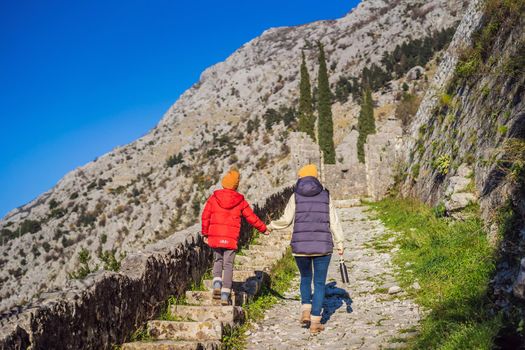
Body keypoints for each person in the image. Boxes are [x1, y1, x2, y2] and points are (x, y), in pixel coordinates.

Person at [266, 164, 344, 334]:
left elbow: (286, 220)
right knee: (319, 283)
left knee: (305, 277)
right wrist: (340, 243)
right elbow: (334, 221)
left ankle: (305, 312)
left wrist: (271, 226)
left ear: (301, 177)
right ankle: (316, 322)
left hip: (300, 246)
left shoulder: (295, 196)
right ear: (316, 177)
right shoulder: (325, 195)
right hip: (323, 246)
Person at [201, 169, 267, 305]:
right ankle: (225, 294)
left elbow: (205, 216)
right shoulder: (240, 200)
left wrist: (205, 234)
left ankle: (217, 284)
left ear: (223, 183)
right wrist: (263, 229)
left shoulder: (214, 198)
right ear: (236, 185)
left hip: (215, 236)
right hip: (230, 238)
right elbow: (251, 217)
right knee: (228, 264)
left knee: (218, 260)